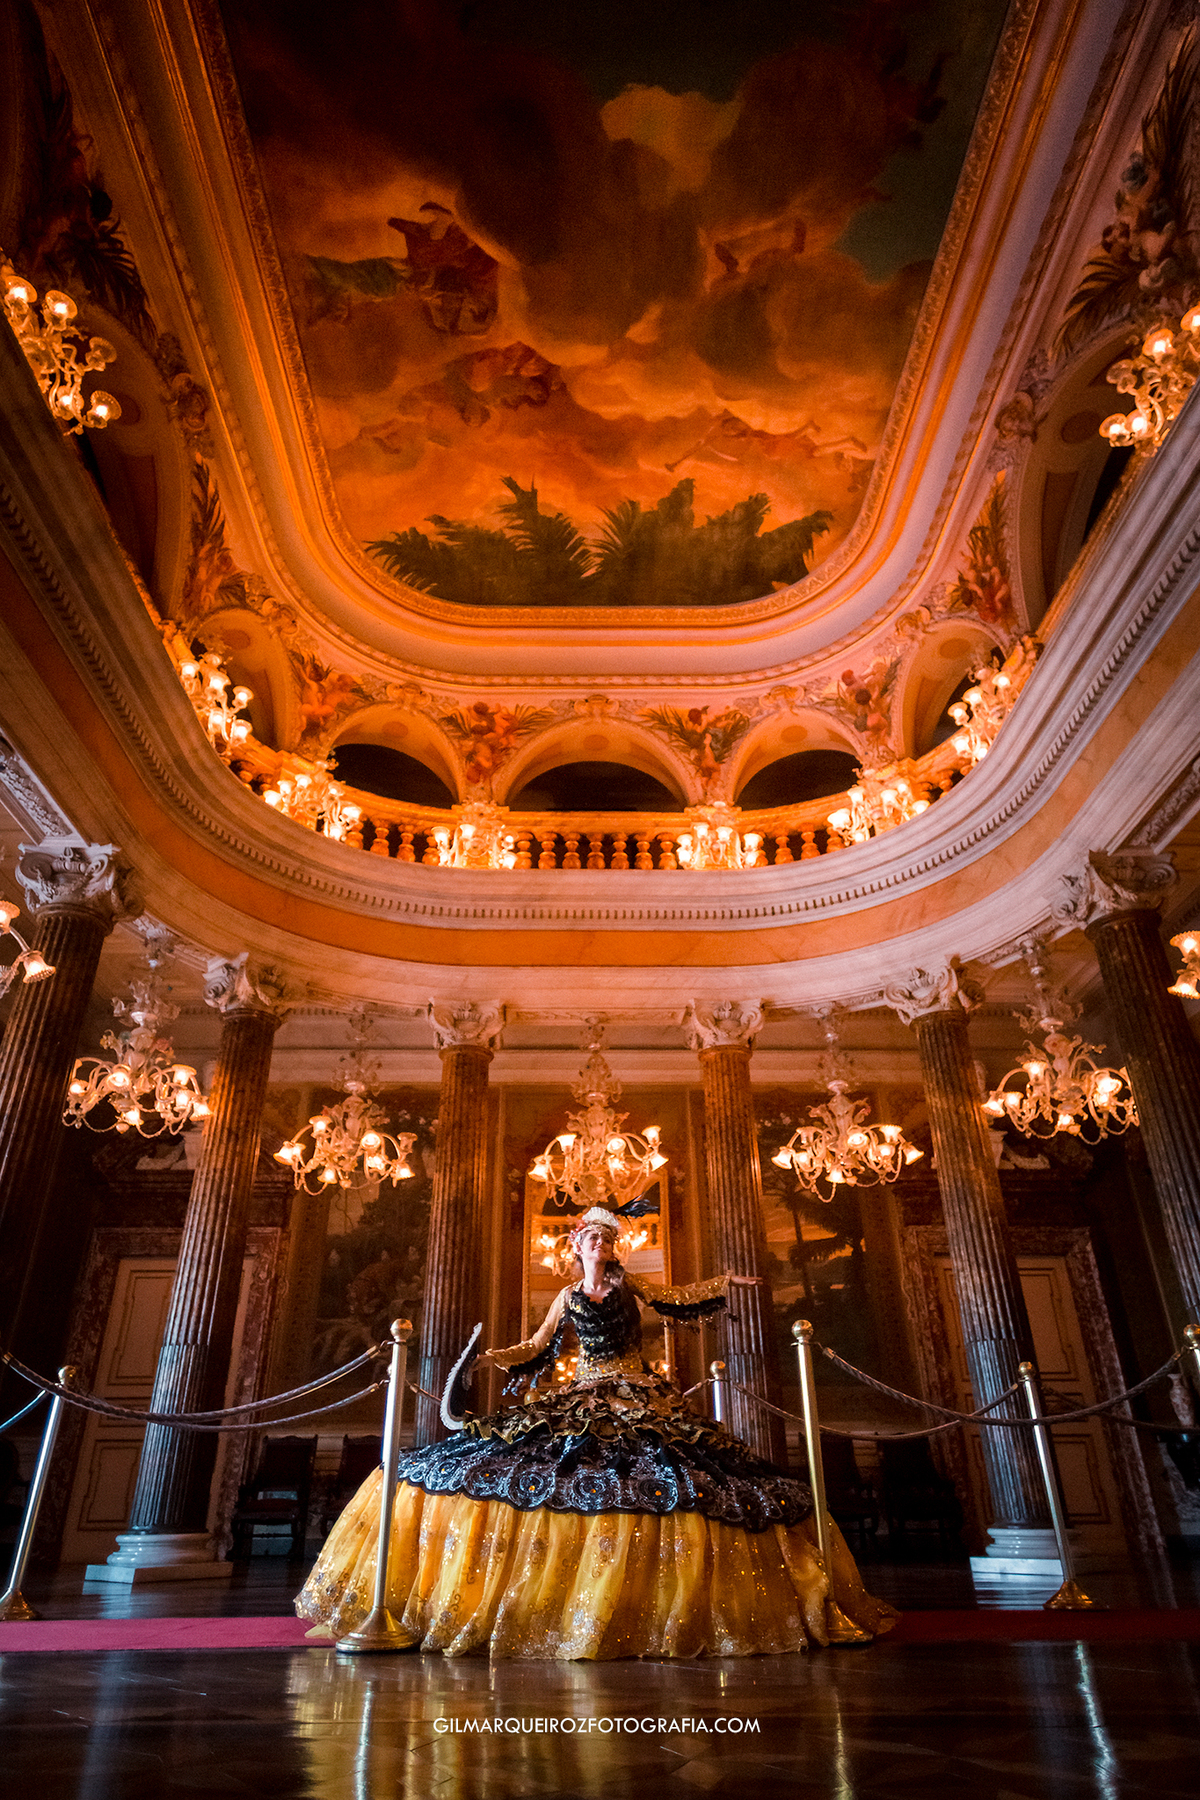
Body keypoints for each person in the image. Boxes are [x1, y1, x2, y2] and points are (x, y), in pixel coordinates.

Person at [296, 1207, 895, 1658]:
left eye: (608, 1239)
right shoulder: (565, 1295)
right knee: (538, 1463)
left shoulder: (631, 1285)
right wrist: (490, 1359)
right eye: (593, 1239)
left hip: (637, 1388)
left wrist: (725, 1283)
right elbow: (537, 1345)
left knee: (675, 1469)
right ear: (577, 1246)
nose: (602, 1245)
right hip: (583, 1390)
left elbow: (676, 1297)